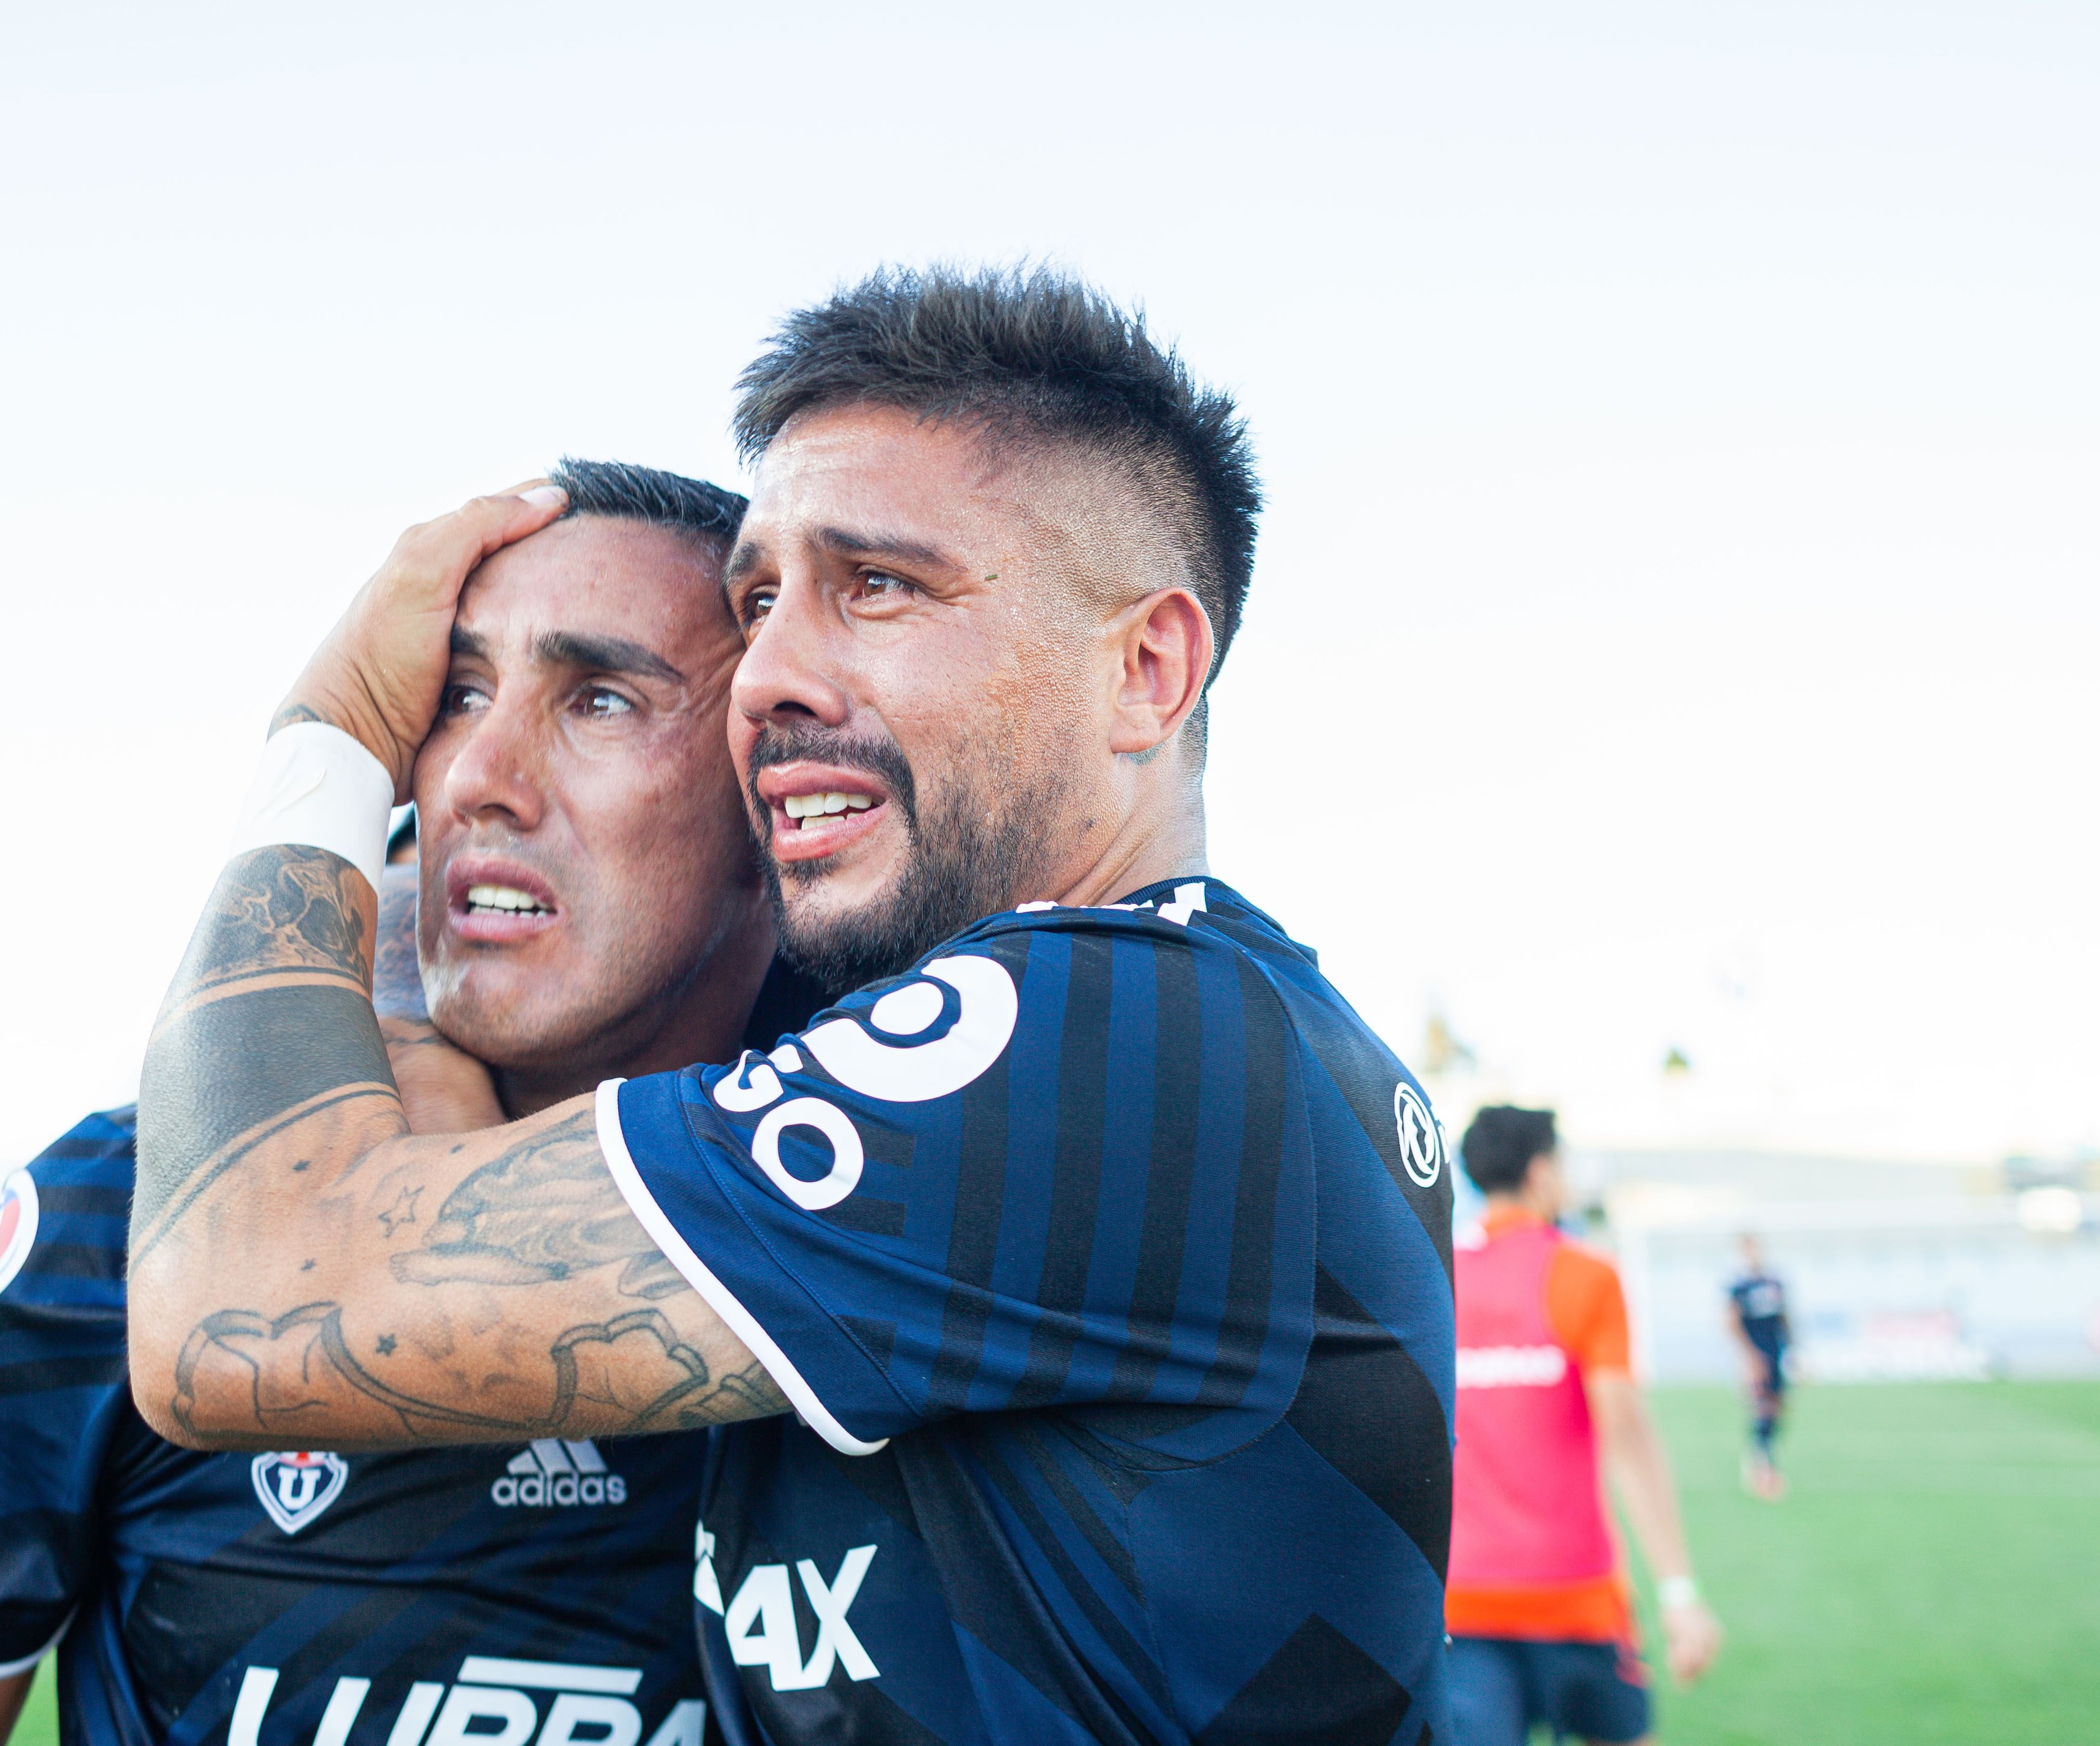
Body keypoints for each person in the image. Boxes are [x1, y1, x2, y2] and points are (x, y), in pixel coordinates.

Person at [126, 266, 1459, 1745]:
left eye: (877, 585)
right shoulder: (1147, 1041)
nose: (767, 673)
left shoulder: (1119, 1041)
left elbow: (232, 1302)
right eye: (760, 599)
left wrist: (326, 737)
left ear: (1145, 669)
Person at [0, 460, 810, 1746]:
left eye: (600, 699)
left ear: (771, 797)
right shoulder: (104, 1223)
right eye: (454, 697)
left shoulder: (881, 1211)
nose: (473, 779)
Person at [1445, 1105, 1723, 1746]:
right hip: (1572, 1597)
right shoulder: (1585, 1274)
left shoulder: (1437, 1279)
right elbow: (1626, 1435)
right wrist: (1679, 1593)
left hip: (1459, 1601)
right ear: (1541, 1172)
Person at [1724, 1233, 1791, 1499]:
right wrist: (1749, 1355)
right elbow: (1731, 1321)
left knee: (1779, 1405)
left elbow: (1784, 1316)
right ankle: (1759, 1463)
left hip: (1776, 1352)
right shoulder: (1738, 1286)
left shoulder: (1774, 1281)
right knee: (1760, 1404)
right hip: (1756, 1354)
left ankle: (1765, 1452)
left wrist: (1793, 1350)